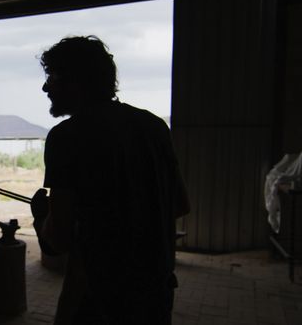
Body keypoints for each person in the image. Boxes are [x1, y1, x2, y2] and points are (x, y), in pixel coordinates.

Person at [30, 35, 190, 325]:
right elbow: (179, 205)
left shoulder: (67, 137)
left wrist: (41, 216)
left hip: (96, 302)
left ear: (76, 81)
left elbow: (59, 239)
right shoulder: (154, 127)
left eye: (52, 76)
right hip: (155, 296)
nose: (45, 87)